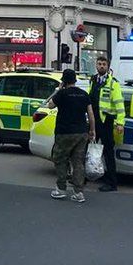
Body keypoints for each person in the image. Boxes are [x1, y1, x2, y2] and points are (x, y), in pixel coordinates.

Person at [46, 69, 96, 203]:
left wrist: (59, 90)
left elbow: (50, 105)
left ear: (63, 81)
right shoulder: (84, 94)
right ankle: (79, 192)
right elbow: (91, 114)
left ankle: (61, 189)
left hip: (64, 132)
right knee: (78, 162)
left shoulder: (62, 94)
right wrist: (92, 130)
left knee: (60, 159)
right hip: (81, 132)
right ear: (75, 80)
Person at [89, 56, 125, 192]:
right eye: (99, 64)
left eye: (104, 64)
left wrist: (120, 122)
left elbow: (119, 105)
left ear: (108, 66)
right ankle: (87, 176)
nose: (101, 66)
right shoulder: (93, 80)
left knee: (108, 152)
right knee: (88, 149)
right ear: (96, 66)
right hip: (94, 121)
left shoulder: (113, 83)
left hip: (106, 122)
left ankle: (111, 183)